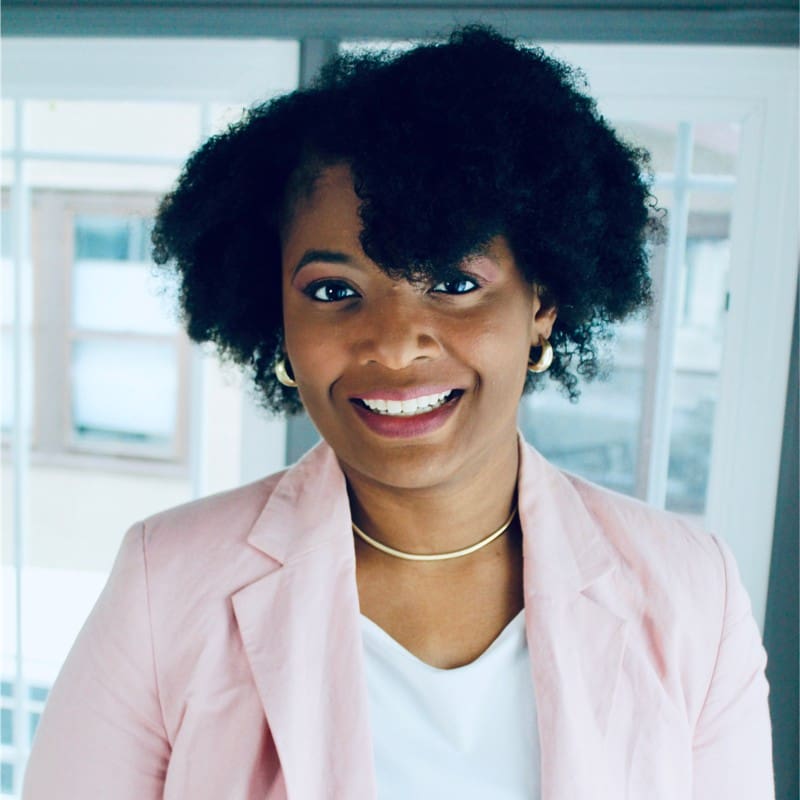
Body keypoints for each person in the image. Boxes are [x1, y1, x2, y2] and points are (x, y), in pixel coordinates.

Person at [24, 26, 773, 800]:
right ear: (275, 315)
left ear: (542, 304)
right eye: (333, 291)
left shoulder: (692, 596)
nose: (393, 344)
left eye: (453, 283)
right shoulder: (167, 587)